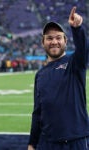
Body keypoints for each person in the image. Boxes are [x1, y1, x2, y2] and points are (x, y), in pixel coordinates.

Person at [28, 6, 89, 150]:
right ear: (43, 43)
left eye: (58, 37)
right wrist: (32, 143)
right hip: (48, 143)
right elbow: (37, 112)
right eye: (49, 38)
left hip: (76, 141)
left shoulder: (75, 63)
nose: (54, 41)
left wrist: (77, 29)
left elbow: (83, 49)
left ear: (65, 41)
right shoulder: (40, 75)